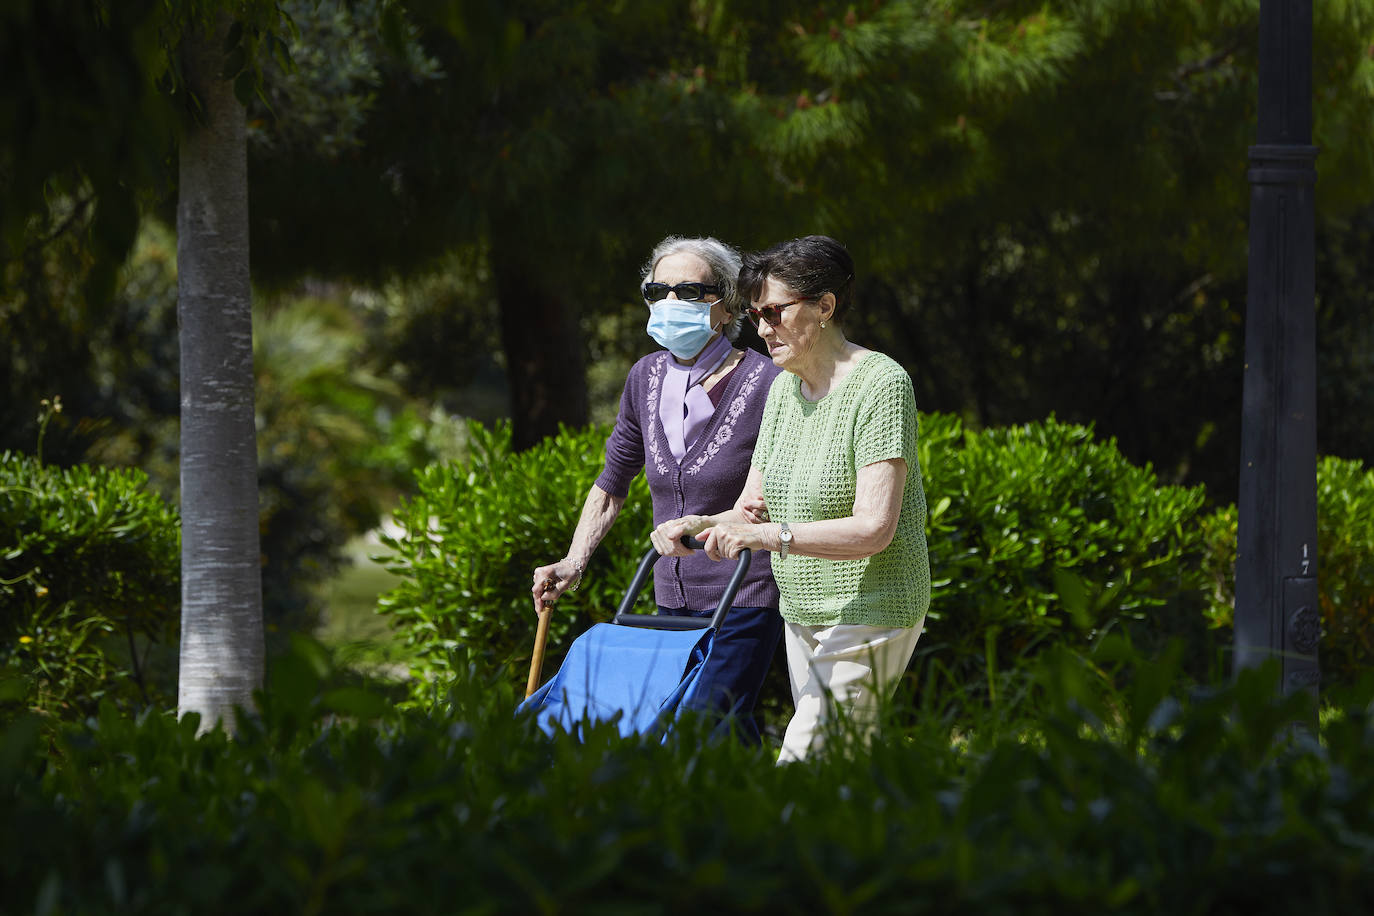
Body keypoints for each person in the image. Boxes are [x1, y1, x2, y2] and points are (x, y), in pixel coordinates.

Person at [650, 235, 931, 763]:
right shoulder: (783, 388)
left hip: (873, 609)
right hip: (802, 610)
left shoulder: (880, 384)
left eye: (775, 312)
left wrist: (764, 536)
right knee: (841, 771)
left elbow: (875, 528)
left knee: (803, 766)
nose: (762, 329)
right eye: (756, 314)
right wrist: (699, 523)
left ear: (825, 306)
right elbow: (750, 510)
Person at [532, 236, 783, 742]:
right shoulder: (643, 378)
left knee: (700, 724)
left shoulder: (769, 380)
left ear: (727, 302)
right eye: (658, 291)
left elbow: (774, 490)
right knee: (721, 730)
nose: (670, 303)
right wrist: (573, 562)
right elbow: (611, 485)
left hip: (748, 590)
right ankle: (765, 813)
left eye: (689, 291)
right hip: (671, 592)